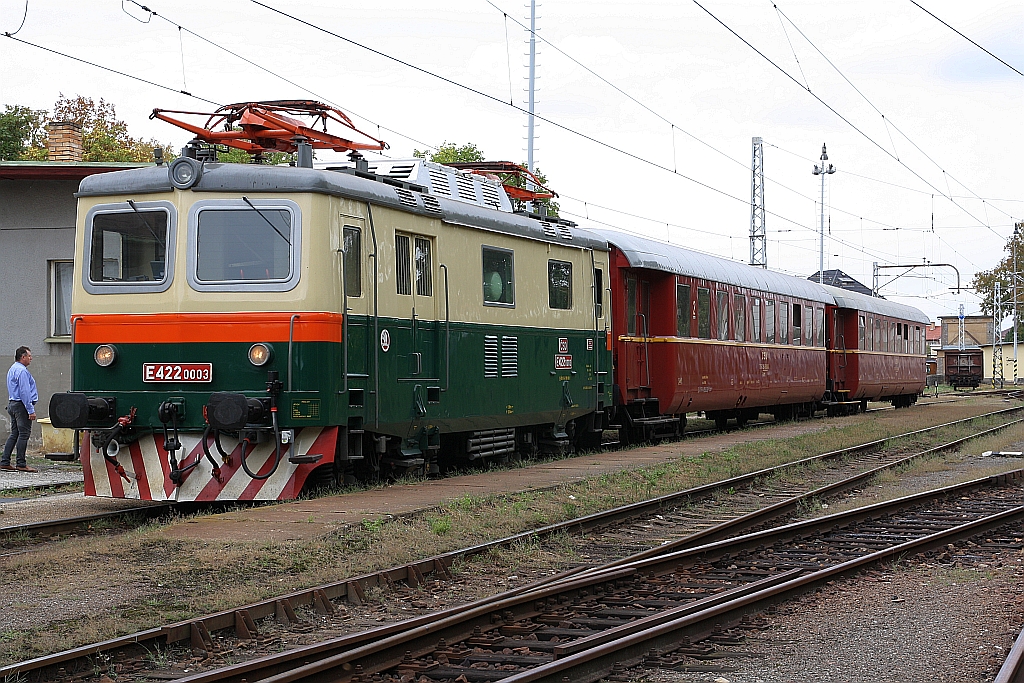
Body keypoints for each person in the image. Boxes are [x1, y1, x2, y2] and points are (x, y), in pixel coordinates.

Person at [4, 346, 39, 472]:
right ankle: (21, 463)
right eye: (29, 356)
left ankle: (5, 461)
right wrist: (30, 410)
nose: (31, 358)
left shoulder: (12, 368)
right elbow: (25, 392)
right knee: (23, 434)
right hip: (21, 406)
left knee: (15, 433)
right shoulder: (22, 371)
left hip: (13, 403)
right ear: (23, 357)